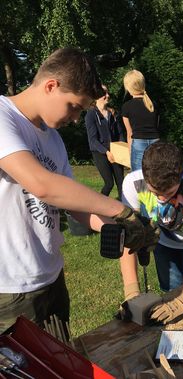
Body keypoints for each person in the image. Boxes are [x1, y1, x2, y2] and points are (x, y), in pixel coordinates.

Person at [0, 47, 158, 334]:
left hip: (51, 278)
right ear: (51, 86)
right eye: (73, 106)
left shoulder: (54, 141)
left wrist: (120, 228)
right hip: (10, 289)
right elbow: (42, 185)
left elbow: (75, 206)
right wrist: (122, 210)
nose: (75, 118)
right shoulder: (3, 117)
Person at [119, 141, 183, 324]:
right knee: (169, 298)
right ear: (146, 178)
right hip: (164, 245)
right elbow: (126, 238)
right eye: (155, 192)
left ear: (180, 175)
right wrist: (131, 292)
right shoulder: (133, 182)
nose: (162, 198)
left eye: (169, 192)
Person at [85, 85, 125, 200]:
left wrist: (121, 146)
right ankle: (98, 207)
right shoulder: (91, 115)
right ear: (96, 96)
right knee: (109, 183)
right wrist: (106, 152)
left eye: (107, 93)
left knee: (121, 182)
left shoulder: (112, 113)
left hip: (115, 150)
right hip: (100, 152)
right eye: (104, 93)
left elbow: (120, 133)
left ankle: (124, 209)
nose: (107, 95)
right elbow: (93, 140)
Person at [121, 70, 159, 171]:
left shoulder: (126, 107)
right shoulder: (153, 104)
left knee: (138, 178)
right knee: (155, 175)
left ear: (128, 87)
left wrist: (130, 153)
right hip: (156, 142)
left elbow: (129, 134)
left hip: (138, 143)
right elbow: (156, 125)